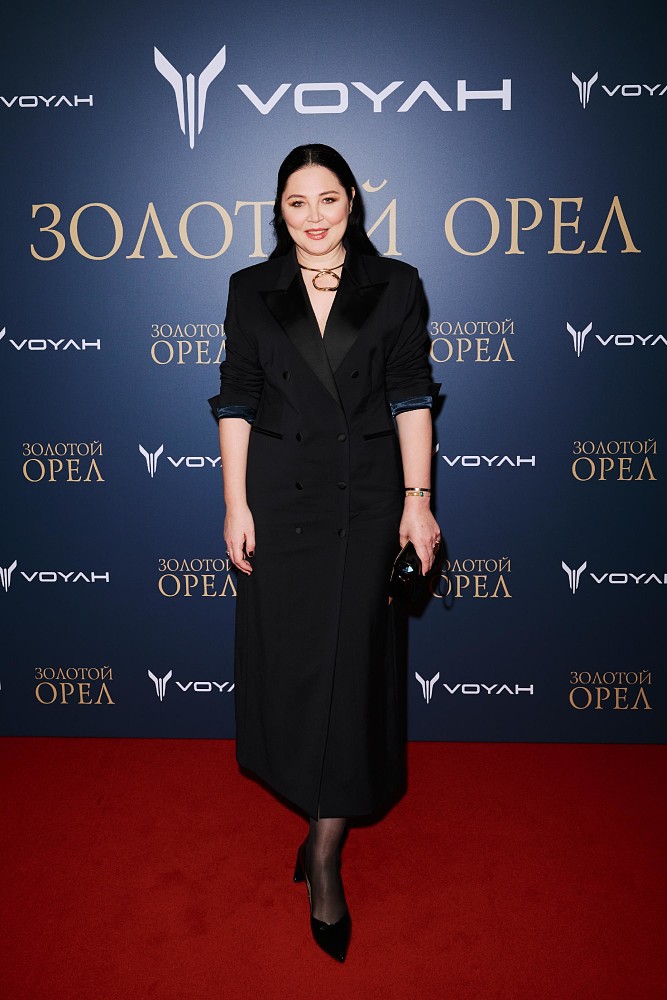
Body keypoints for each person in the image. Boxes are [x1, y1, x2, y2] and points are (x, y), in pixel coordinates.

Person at [210, 144, 441, 962]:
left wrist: (418, 503)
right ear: (278, 210)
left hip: (365, 503)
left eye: (328, 199)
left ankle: (323, 855)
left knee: (352, 677)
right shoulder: (251, 288)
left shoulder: (396, 284)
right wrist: (235, 503)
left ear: (352, 202)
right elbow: (238, 399)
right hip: (281, 502)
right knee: (298, 672)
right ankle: (314, 823)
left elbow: (410, 395)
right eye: (296, 202)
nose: (313, 217)